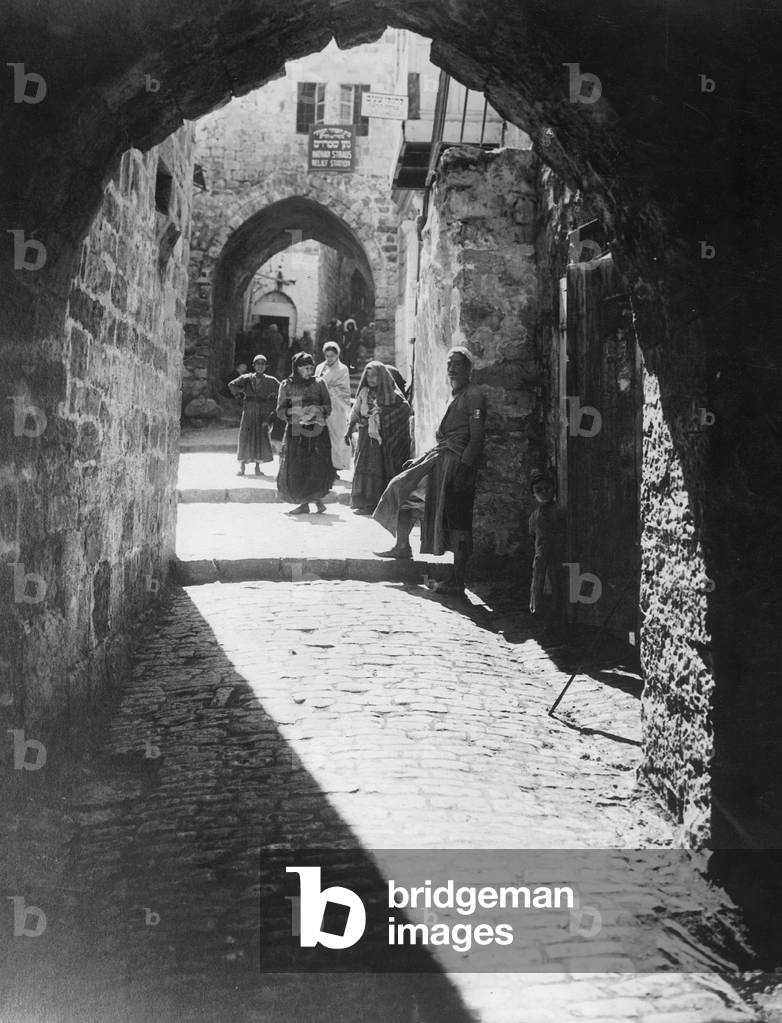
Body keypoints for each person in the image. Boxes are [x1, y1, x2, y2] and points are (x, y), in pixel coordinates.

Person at [373, 347, 486, 597]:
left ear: (468, 368)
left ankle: (458, 580)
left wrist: (463, 469)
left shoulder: (474, 395)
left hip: (455, 467)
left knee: (458, 522)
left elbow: (476, 438)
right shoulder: (456, 395)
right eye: (449, 364)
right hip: (440, 461)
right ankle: (402, 545)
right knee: (405, 490)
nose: (452, 369)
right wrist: (420, 460)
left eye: (457, 364)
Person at [345, 360, 411, 515]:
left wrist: (383, 413)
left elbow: (404, 409)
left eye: (374, 376)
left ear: (382, 376)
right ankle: (364, 502)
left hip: (382, 439)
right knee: (363, 465)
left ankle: (377, 504)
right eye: (368, 377)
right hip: (364, 435)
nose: (371, 380)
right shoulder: (364, 392)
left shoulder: (391, 393)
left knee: (378, 467)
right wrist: (349, 429)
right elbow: (355, 411)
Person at [276, 351, 335, 515]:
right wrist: (295, 414)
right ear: (297, 368)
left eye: (312, 368)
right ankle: (304, 503)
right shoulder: (287, 385)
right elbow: (280, 410)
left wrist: (316, 410)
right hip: (296, 431)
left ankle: (316, 500)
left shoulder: (319, 383)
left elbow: (328, 407)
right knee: (297, 465)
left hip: (317, 431)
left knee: (316, 464)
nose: (310, 372)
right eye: (306, 368)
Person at [528, 470, 568, 635]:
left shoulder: (560, 510)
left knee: (558, 591)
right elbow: (533, 536)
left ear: (553, 489)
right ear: (534, 495)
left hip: (557, 557)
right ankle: (544, 624)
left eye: (547, 488)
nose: (544, 492)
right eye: (539, 490)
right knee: (540, 591)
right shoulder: (534, 516)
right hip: (541, 559)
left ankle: (557, 626)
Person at [228, 354, 279, 476]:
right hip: (249, 411)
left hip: (262, 411)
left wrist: (273, 400)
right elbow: (231, 385)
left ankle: (257, 467)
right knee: (246, 436)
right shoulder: (247, 378)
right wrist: (239, 394)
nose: (260, 367)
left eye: (262, 365)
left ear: (266, 366)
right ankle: (242, 467)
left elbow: (282, 389)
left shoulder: (271, 380)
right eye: (257, 364)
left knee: (260, 437)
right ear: (254, 366)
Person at [315, 342, 352, 473]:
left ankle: (335, 467)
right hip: (321, 405)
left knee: (336, 436)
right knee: (321, 435)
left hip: (336, 407)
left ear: (337, 355)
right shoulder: (320, 367)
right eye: (327, 355)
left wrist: (326, 389)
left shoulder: (342, 369)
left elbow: (344, 389)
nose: (329, 358)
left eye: (332, 356)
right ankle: (322, 466)